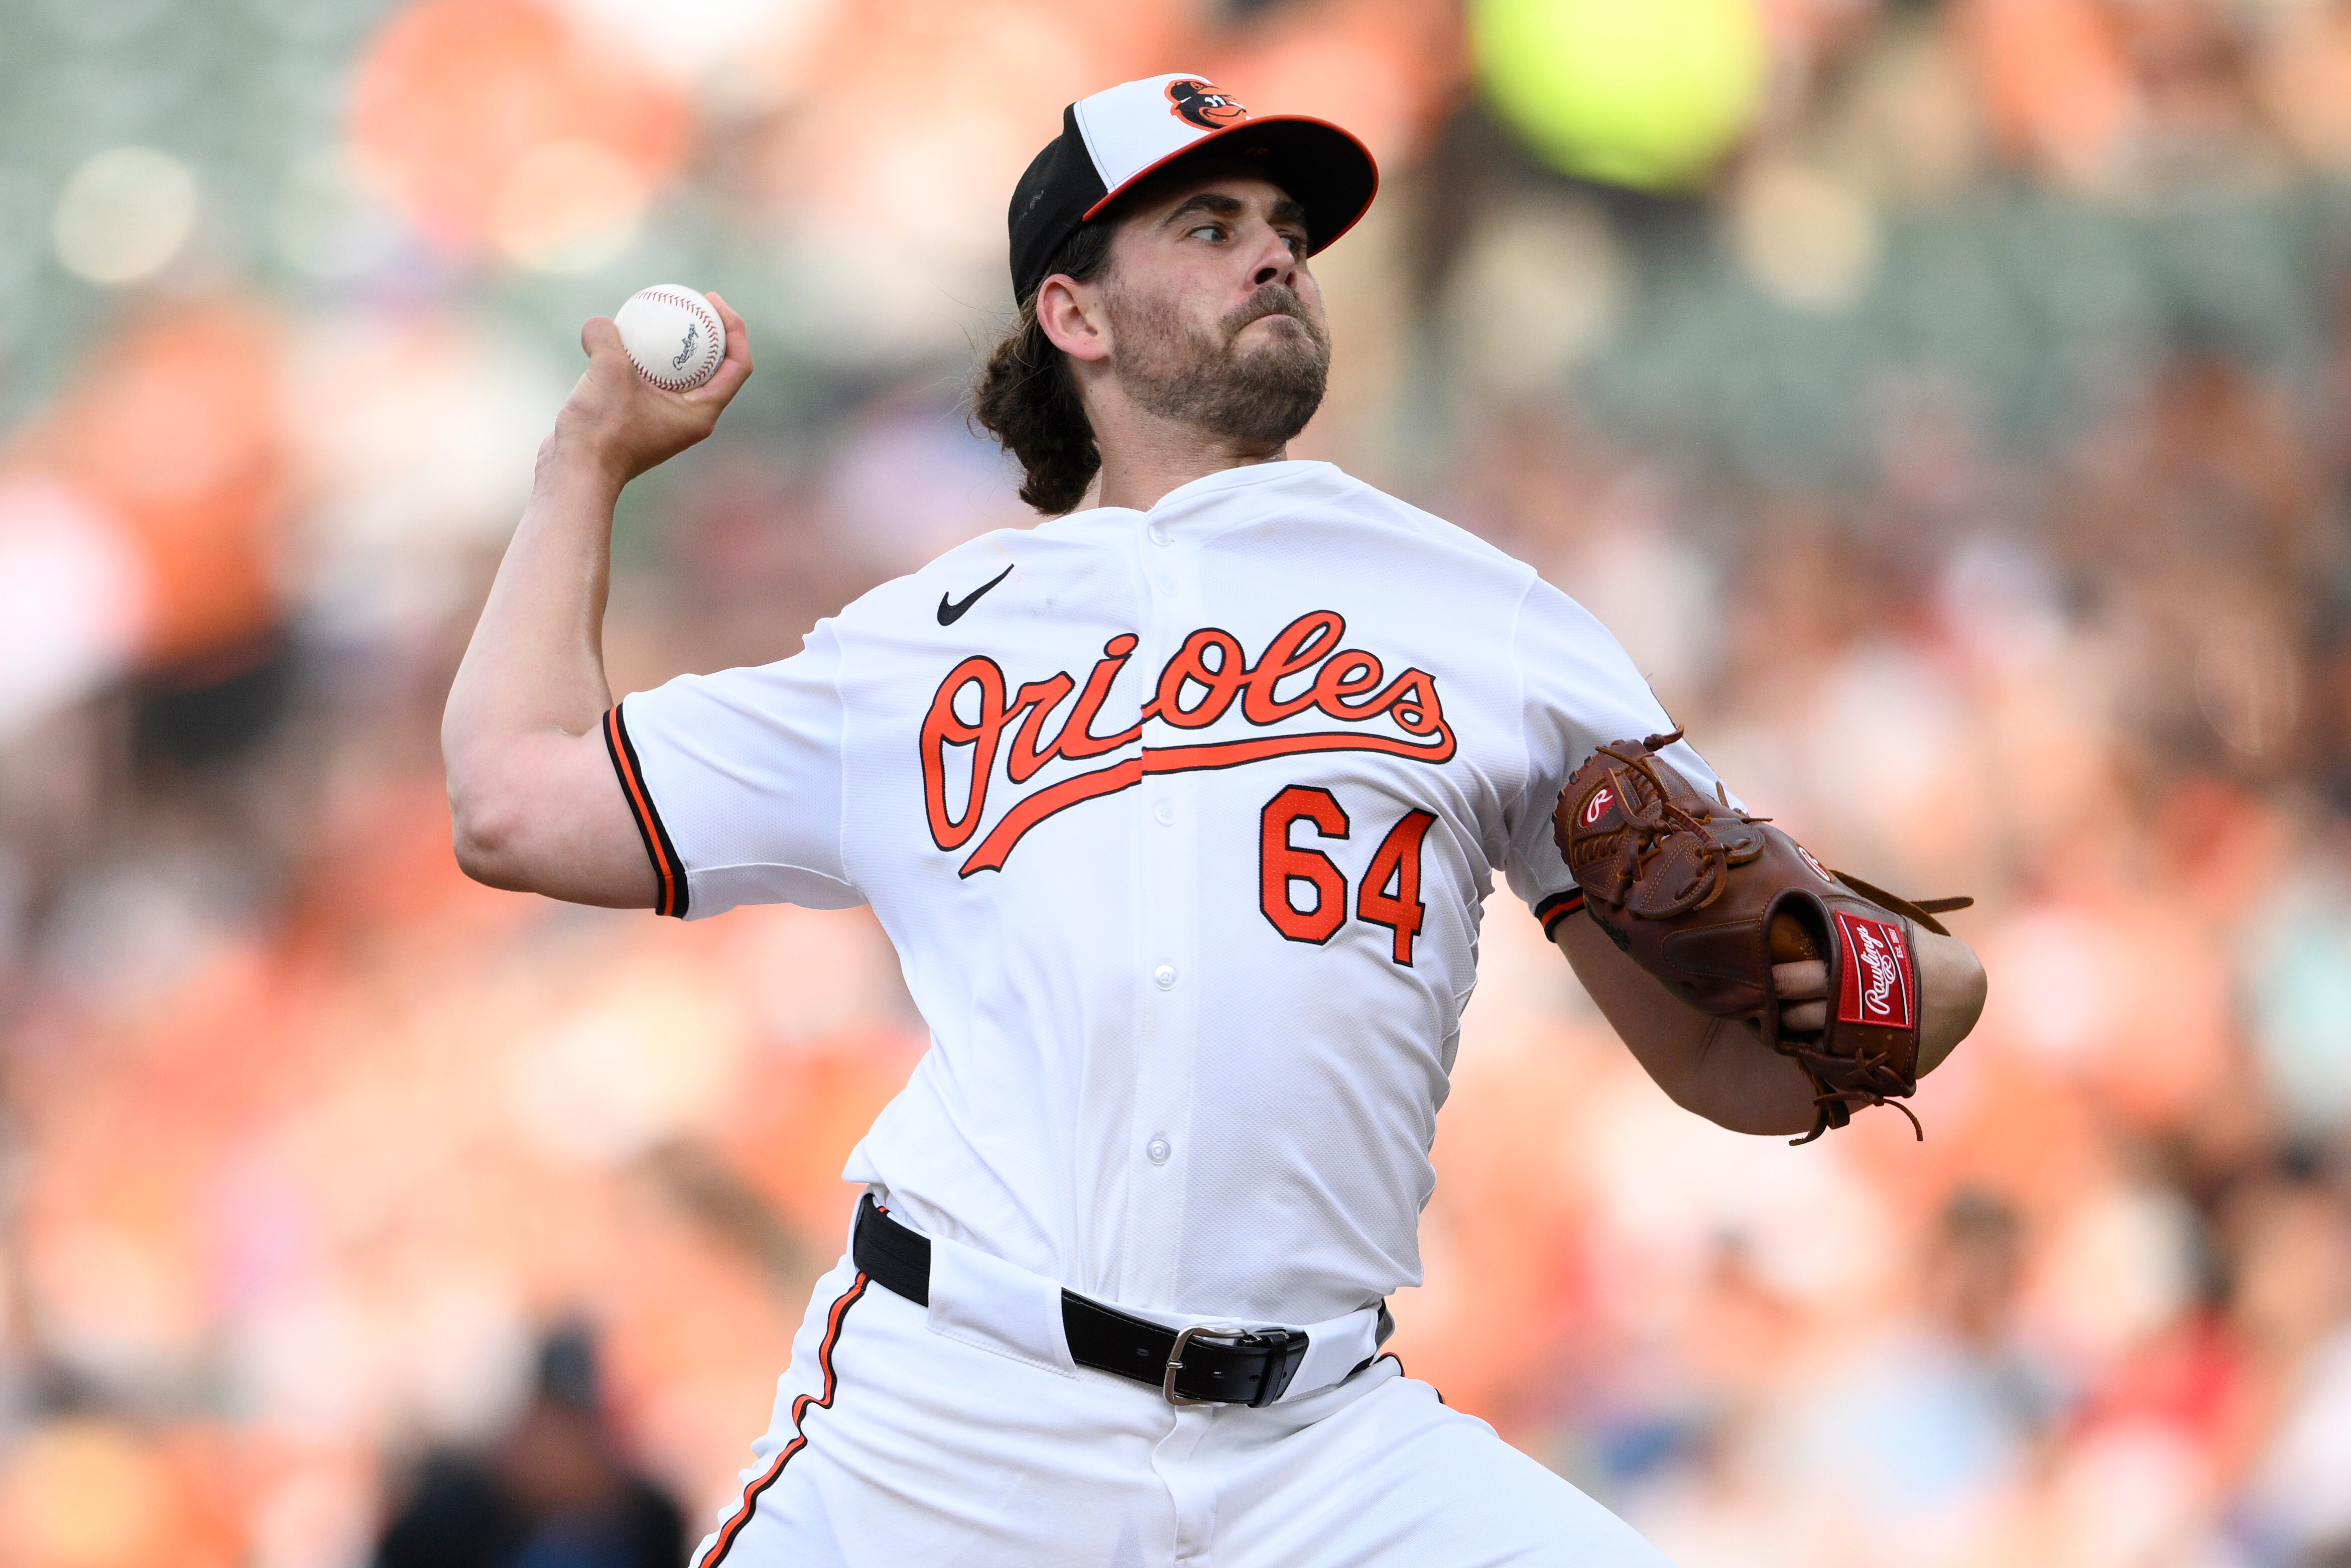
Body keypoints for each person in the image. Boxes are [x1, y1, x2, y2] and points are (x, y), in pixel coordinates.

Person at [440, 72, 1988, 1568]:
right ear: (1075, 314)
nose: (1272, 251)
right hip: (960, 1424)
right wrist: (584, 462)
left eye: (1287, 232)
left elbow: (1726, 1061)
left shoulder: (1488, 618)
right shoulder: (923, 645)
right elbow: (514, 800)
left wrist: (1871, 993)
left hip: (1322, 1450)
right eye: (1206, 223)